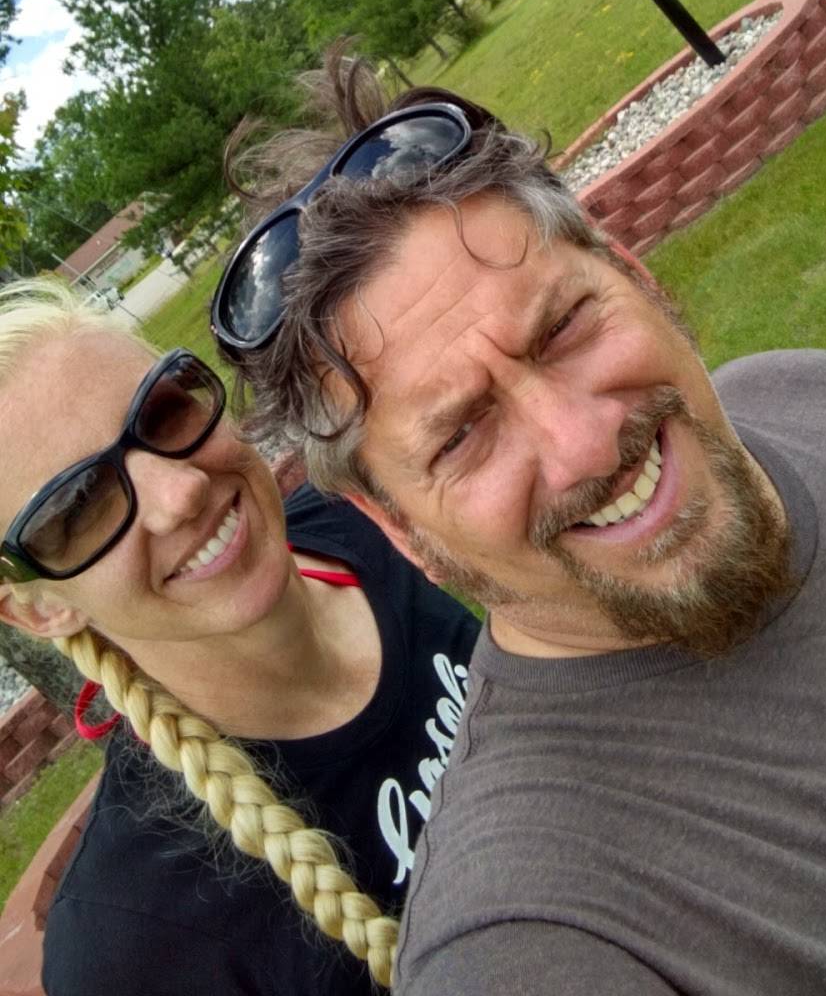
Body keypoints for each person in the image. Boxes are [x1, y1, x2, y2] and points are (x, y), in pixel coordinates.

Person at [213, 53, 826, 996]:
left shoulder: (807, 386)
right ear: (402, 529)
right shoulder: (526, 937)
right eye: (463, 435)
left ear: (633, 274)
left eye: (565, 328)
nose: (583, 443)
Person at [0, 278, 478, 995]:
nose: (181, 493)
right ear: (37, 612)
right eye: (79, 504)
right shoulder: (131, 949)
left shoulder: (364, 519)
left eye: (163, 411)